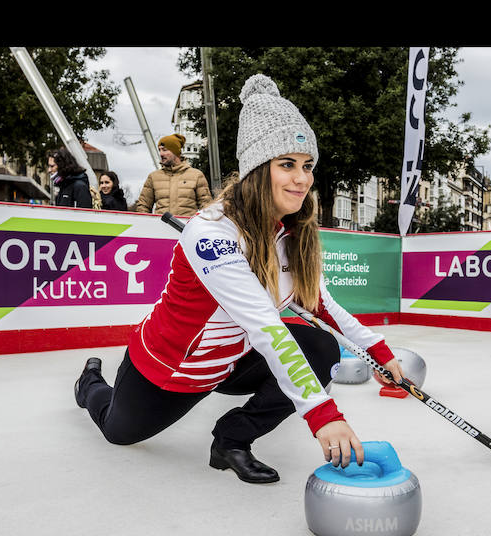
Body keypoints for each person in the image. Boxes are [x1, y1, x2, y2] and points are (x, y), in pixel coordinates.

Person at [74, 74, 404, 484]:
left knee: (320, 349)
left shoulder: (292, 230)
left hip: (232, 360)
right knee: (118, 431)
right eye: (286, 164)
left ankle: (231, 440)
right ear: (256, 169)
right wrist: (324, 417)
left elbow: (320, 304)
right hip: (173, 368)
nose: (301, 179)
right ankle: (88, 382)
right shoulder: (212, 232)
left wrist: (379, 352)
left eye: (307, 166)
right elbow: (266, 326)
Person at [133, 133, 213, 216]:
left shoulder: (196, 175)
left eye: (164, 150)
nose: (161, 154)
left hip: (187, 227)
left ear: (176, 152)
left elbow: (206, 207)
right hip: (160, 227)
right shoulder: (153, 177)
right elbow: (143, 206)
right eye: (159, 150)